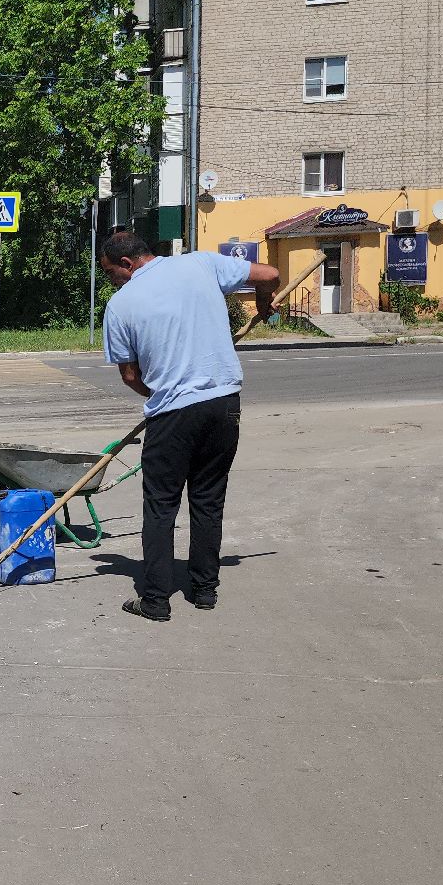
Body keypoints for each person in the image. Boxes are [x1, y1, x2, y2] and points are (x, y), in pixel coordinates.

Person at [98, 233, 279, 621]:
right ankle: (204, 590)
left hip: (172, 416)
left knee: (161, 506)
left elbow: (129, 376)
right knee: (208, 500)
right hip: (224, 405)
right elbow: (270, 273)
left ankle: (156, 600)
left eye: (112, 274)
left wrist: (162, 395)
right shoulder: (200, 263)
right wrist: (264, 305)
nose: (113, 282)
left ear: (127, 264)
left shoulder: (120, 305)